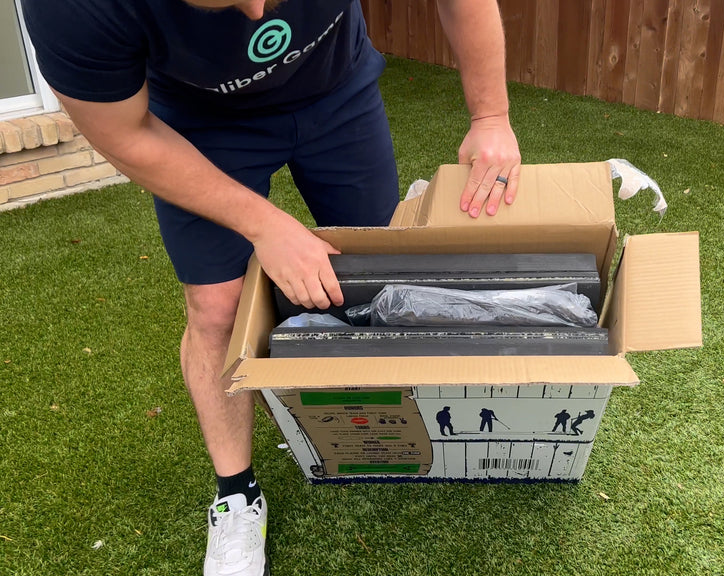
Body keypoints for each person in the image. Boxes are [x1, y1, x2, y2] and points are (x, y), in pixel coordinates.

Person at [22, 1, 521, 574]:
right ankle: (236, 494)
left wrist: (491, 116)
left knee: (374, 277)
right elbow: (123, 134)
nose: (257, 11)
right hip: (198, 124)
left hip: (337, 91)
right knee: (217, 308)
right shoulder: (73, 8)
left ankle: (366, 425)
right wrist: (265, 226)